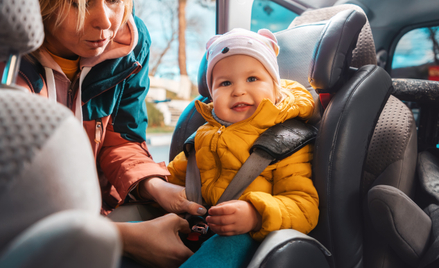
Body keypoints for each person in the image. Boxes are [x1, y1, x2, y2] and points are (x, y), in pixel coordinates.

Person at [3, 0, 206, 267]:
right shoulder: (8, 69)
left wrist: (154, 186)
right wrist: (124, 237)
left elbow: (121, 139)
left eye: (112, 0)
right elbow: (13, 204)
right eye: (80, 4)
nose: (106, 21)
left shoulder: (130, 47)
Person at [160, 28, 320, 267]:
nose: (238, 90)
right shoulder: (202, 137)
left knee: (227, 246)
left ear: (276, 89)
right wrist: (145, 187)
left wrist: (255, 215)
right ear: (212, 96)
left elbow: (304, 206)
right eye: (225, 83)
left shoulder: (287, 140)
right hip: (198, 228)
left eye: (252, 79)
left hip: (249, 238)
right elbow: (170, 178)